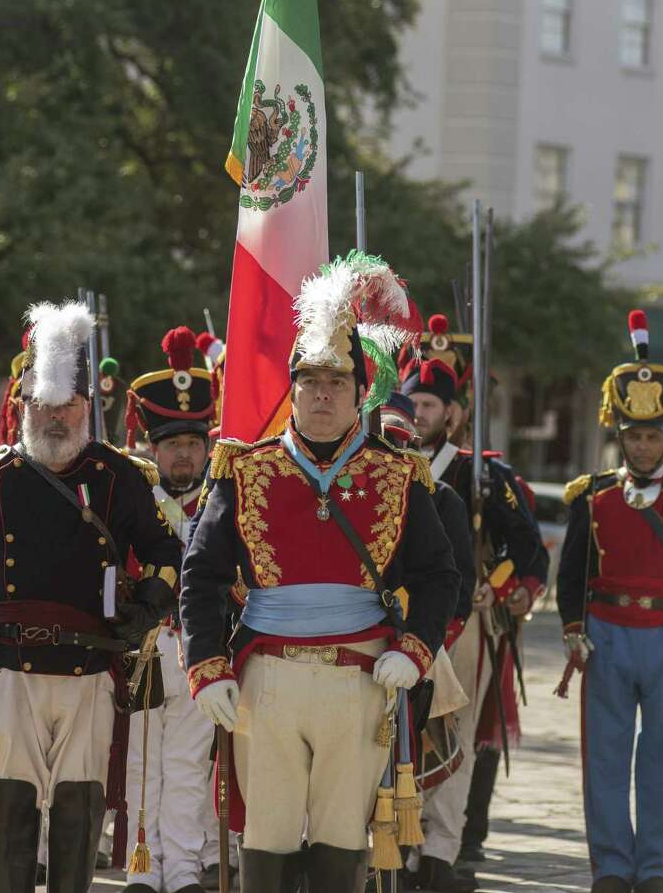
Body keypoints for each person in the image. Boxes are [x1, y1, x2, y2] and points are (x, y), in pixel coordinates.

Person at [180, 254, 460, 892]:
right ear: (293, 391)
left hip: (362, 678)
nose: (324, 394)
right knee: (268, 838)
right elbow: (201, 576)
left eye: (338, 382)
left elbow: (439, 574)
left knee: (342, 838)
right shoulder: (244, 470)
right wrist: (205, 667)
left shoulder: (398, 473)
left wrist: (414, 651)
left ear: (364, 392)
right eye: (311, 381)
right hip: (266, 680)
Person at [0, 299, 182, 893]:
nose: (55, 417)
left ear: (87, 408)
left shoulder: (122, 477)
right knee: (12, 806)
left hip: (91, 665)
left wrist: (147, 608)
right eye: (43, 404)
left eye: (68, 405)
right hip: (11, 669)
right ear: (23, 407)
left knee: (79, 808)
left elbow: (167, 553)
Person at [556, 310, 663, 893]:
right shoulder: (593, 497)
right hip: (606, 634)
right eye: (634, 435)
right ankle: (610, 866)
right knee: (604, 760)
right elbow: (573, 572)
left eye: (653, 434)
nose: (643, 444)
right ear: (620, 435)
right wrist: (572, 627)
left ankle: (654, 867)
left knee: (661, 761)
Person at [402, 319, 547, 870]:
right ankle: (401, 842)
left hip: (464, 623)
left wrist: (500, 583)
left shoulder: (480, 476)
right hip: (402, 622)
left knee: (454, 735)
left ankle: (441, 847)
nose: (420, 413)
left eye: (431, 405)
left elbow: (529, 551)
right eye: (413, 401)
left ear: (454, 414)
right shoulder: (388, 467)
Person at [122, 326, 220, 893]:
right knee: (141, 762)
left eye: (193, 443)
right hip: (140, 648)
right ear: (152, 447)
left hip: (200, 649)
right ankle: (145, 866)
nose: (184, 454)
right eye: (172, 444)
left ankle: (182, 871)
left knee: (187, 765)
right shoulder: (131, 496)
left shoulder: (221, 499)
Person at [380, 391, 476, 892]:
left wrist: (428, 642)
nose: (395, 454)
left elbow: (456, 579)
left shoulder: (441, 499)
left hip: (425, 652)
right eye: (386, 442)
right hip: (365, 648)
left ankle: (430, 853)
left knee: (426, 757)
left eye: (402, 443)